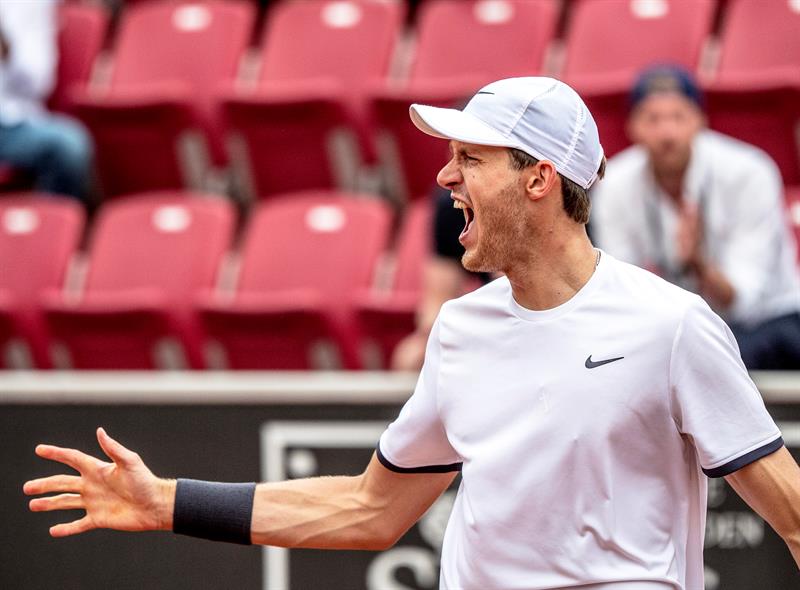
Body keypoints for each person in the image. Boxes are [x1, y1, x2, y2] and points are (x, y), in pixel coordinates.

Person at [24, 77, 800, 589]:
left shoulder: (671, 326)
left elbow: (793, 517)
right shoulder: (460, 330)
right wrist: (168, 502)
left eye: (469, 158)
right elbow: (371, 509)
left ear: (539, 179)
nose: (444, 178)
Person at [591, 65, 800, 370]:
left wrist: (700, 267)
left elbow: (744, 301)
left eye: (678, 117)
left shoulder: (749, 172)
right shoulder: (616, 183)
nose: (667, 133)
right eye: (653, 119)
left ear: (700, 121)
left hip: (767, 319)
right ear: (632, 126)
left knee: (707, 360)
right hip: (678, 323)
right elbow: (621, 285)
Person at [0, 0, 94, 202]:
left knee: (68, 145)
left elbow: (38, 84)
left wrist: (5, 49)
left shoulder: (29, 4)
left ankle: (52, 229)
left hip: (9, 124)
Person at [391, 186, 491, 371]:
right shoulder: (452, 205)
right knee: (413, 355)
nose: (445, 176)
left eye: (471, 159)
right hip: (492, 324)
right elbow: (436, 302)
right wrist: (428, 339)